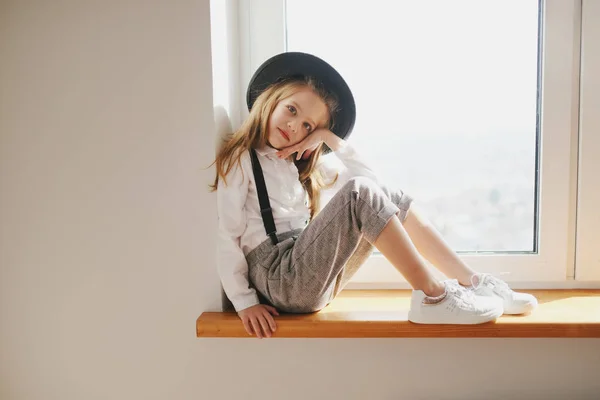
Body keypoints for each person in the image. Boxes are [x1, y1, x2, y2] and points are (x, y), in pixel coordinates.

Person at [212, 52, 537, 338]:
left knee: (383, 193)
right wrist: (244, 303)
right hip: (280, 280)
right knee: (359, 195)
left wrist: (330, 139)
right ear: (271, 100)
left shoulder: (296, 167)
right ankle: (434, 296)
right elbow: (226, 236)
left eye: (309, 126)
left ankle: (471, 282)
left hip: (306, 280)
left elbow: (374, 184)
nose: (295, 126)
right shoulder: (243, 159)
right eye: (292, 110)